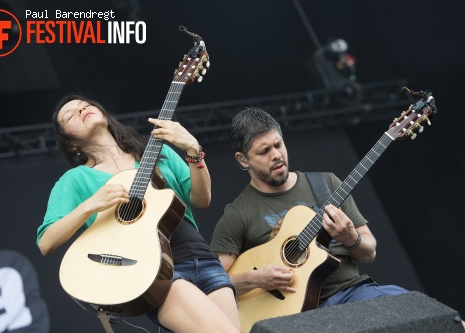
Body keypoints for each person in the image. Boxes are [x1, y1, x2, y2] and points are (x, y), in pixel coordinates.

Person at [36, 94, 241, 333]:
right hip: (158, 273)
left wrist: (193, 150)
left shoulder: (156, 152)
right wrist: (91, 204)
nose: (82, 110)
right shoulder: (75, 180)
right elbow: (46, 242)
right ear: (70, 143)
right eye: (71, 115)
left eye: (86, 106)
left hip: (204, 258)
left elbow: (201, 199)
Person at [210, 107, 408, 318]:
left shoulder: (327, 184)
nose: (276, 155)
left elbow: (369, 254)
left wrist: (352, 239)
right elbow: (211, 283)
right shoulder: (238, 213)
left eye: (278, 145)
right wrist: (254, 279)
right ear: (243, 160)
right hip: (298, 317)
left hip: (353, 294)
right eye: (264, 151)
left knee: (409, 306)